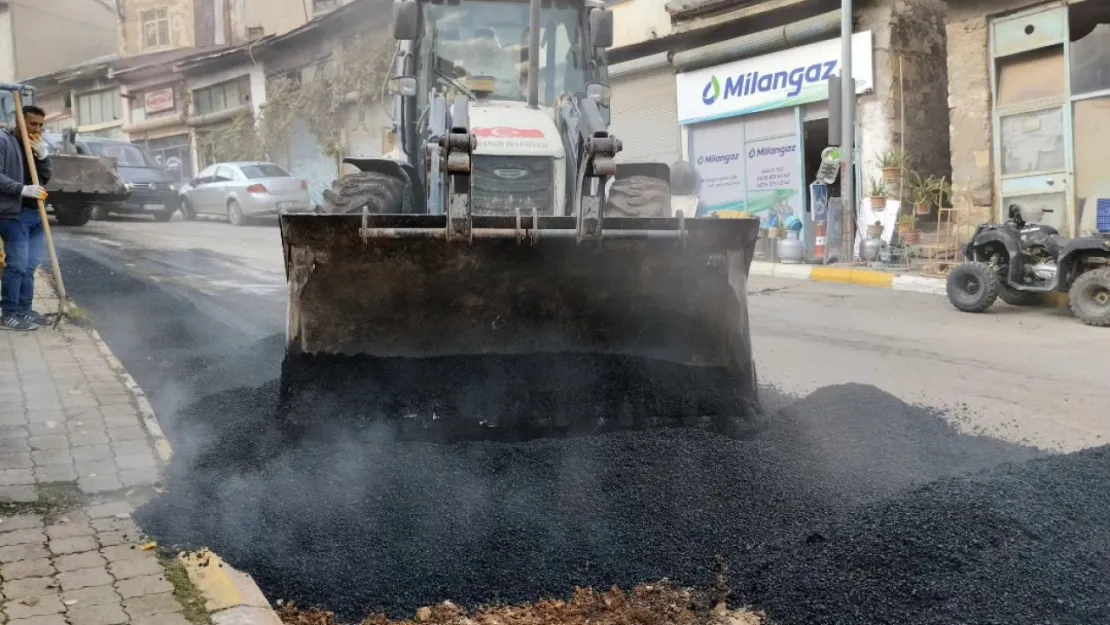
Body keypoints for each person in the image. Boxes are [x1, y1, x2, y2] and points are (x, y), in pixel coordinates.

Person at [0, 105, 52, 331]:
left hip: (36, 213)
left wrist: (44, 158)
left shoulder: (35, 144)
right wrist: (21, 189)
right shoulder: (3, 141)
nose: (37, 128)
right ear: (18, 121)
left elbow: (44, 178)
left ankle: (24, 310)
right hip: (13, 213)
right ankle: (9, 314)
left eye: (41, 125)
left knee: (30, 266)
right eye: (32, 124)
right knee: (17, 265)